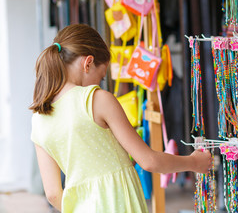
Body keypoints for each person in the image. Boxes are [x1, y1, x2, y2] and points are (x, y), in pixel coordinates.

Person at [29, 24, 212, 213]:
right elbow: (149, 161)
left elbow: (52, 193)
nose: (99, 83)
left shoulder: (39, 118)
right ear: (88, 62)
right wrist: (193, 162)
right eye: (101, 77)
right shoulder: (96, 99)